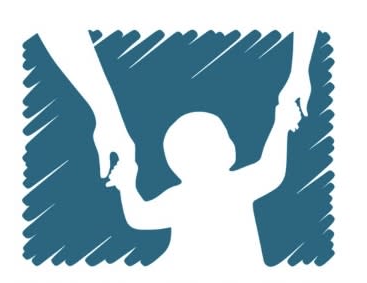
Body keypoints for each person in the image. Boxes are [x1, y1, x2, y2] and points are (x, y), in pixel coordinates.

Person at [42, 30, 314, 264]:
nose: (231, 141)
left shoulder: (176, 198)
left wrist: (127, 185)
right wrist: (280, 125)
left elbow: (139, 217)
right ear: (227, 150)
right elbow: (272, 170)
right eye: (225, 137)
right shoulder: (239, 184)